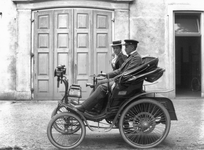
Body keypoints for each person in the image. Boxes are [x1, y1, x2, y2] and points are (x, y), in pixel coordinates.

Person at [75, 39, 142, 112]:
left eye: (126, 46)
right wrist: (106, 75)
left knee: (102, 87)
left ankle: (86, 107)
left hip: (125, 83)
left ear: (132, 47)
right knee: (99, 83)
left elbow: (127, 72)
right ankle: (91, 105)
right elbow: (120, 70)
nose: (125, 48)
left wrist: (115, 80)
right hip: (123, 80)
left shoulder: (136, 58)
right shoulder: (131, 56)